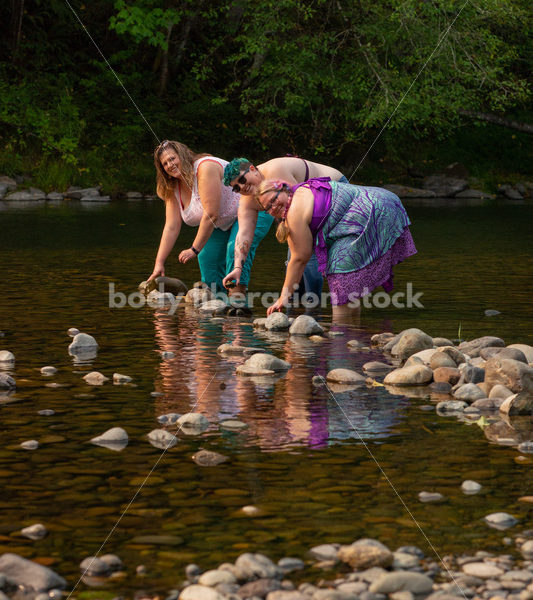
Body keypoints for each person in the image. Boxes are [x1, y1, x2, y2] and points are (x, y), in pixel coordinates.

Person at [254, 177, 417, 317]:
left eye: (274, 200)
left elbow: (299, 258)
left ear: (283, 189)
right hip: (384, 199)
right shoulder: (302, 188)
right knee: (347, 286)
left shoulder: (294, 213)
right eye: (267, 208)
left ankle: (340, 338)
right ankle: (353, 335)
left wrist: (284, 297)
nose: (273, 207)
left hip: (374, 211)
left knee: (339, 276)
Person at [148, 141, 274, 298]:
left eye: (172, 158)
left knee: (233, 249)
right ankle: (215, 304)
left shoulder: (204, 167)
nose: (170, 164)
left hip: (254, 207)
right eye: (165, 163)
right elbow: (171, 226)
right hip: (221, 223)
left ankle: (237, 300)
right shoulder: (173, 187)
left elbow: (211, 214)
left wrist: (194, 249)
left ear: (183, 155)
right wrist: (159, 263)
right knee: (207, 258)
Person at [222, 157, 348, 297]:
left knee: (305, 255)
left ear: (252, 169)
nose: (242, 187)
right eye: (236, 188)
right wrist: (238, 267)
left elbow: (298, 206)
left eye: (242, 180)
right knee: (293, 259)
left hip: (334, 188)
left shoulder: (275, 171)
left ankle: (313, 307)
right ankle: (296, 306)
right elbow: (243, 234)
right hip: (308, 209)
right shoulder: (246, 201)